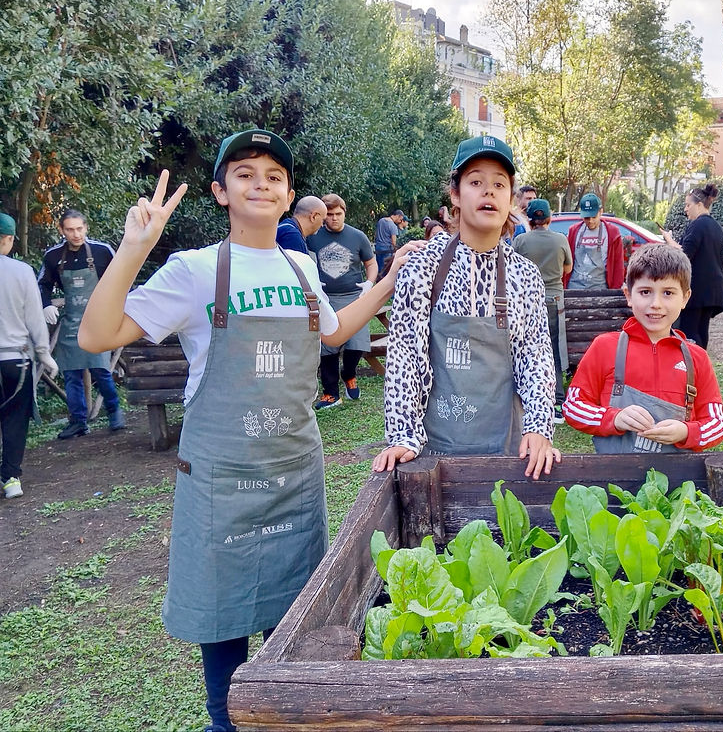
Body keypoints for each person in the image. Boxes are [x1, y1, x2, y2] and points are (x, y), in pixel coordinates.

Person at [77, 129, 421, 732]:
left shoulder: (301, 266)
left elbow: (334, 332)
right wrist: (135, 248)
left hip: (294, 475)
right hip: (222, 483)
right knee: (224, 627)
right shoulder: (194, 270)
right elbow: (96, 336)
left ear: (289, 197)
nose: (260, 183)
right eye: (245, 173)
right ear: (220, 192)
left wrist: (390, 278)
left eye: (274, 176)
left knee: (293, 630)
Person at [371, 135, 560, 480]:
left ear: (510, 198)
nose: (488, 191)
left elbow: (536, 358)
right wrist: (403, 435)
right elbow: (404, 357)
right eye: (476, 182)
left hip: (507, 451)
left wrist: (539, 428)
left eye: (499, 184)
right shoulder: (423, 267)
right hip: (435, 454)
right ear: (455, 195)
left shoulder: (525, 275)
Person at [562, 244, 723, 453]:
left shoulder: (697, 359)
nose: (655, 303)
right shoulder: (605, 347)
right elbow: (572, 406)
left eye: (668, 293)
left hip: (678, 482)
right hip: (615, 481)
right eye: (645, 292)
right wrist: (615, 418)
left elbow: (717, 424)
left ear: (685, 298)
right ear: (628, 295)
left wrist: (686, 432)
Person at [38, 210, 124, 438]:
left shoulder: (102, 251)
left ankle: (114, 411)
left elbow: (121, 278)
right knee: (71, 373)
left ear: (86, 228)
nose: (75, 234)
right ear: (61, 230)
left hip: (98, 319)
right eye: (70, 230)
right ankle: (78, 421)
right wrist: (46, 304)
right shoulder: (53, 256)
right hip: (71, 320)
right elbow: (42, 284)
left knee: (101, 369)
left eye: (79, 229)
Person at [0, 213, 60, 499]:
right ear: (9, 239)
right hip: (16, 359)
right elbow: (35, 317)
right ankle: (11, 478)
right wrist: (44, 353)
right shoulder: (22, 272)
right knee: (14, 417)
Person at [306, 193, 378, 409]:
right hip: (326, 298)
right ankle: (331, 393)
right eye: (330, 214)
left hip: (353, 297)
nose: (335, 218)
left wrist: (370, 283)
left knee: (357, 343)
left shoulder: (357, 237)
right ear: (322, 216)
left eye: (339, 214)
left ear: (344, 213)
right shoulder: (313, 236)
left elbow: (371, 263)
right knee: (328, 346)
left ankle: (349, 374)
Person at [512, 199, 572, 423]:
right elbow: (568, 268)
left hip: (526, 301)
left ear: (530, 218)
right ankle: (556, 400)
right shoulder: (560, 240)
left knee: (524, 349)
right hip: (554, 300)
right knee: (553, 350)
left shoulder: (520, 240)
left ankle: (526, 399)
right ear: (549, 218)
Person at [662, 183, 723, 349]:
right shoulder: (716, 227)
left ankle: (693, 366)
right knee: (702, 330)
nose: (685, 209)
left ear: (699, 205)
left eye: (688, 205)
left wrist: (668, 240)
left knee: (690, 331)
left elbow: (683, 254)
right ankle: (700, 365)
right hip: (713, 288)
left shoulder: (698, 225)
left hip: (698, 288)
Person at [564, 193, 624, 290]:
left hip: (600, 289)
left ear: (601, 212)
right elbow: (566, 261)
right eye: (586, 218)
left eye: (594, 217)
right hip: (574, 288)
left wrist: (615, 289)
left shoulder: (612, 233)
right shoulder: (574, 231)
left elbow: (618, 265)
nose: (590, 221)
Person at [373, 208, 403, 273]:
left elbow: (376, 234)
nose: (400, 221)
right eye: (400, 219)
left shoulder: (381, 220)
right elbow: (393, 242)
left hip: (378, 248)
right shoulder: (393, 226)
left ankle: (378, 281)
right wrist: (396, 249)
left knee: (378, 267)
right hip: (387, 250)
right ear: (398, 216)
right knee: (385, 270)